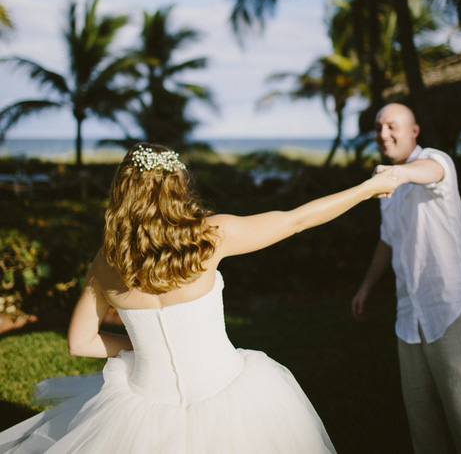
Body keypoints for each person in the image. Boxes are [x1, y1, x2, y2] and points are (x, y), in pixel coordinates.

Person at [0, 143, 401, 454]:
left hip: (140, 412)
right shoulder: (209, 238)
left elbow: (80, 342)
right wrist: (368, 188)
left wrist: (141, 349)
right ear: (177, 187)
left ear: (123, 191)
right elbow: (296, 220)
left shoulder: (108, 260)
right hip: (228, 394)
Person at [352, 103, 461, 454]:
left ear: (414, 131)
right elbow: (388, 240)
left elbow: (430, 171)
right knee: (423, 428)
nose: (383, 134)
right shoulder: (387, 182)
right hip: (408, 318)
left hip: (448, 309)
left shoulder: (433, 161)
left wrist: (398, 175)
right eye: (378, 127)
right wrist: (366, 287)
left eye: (392, 126)